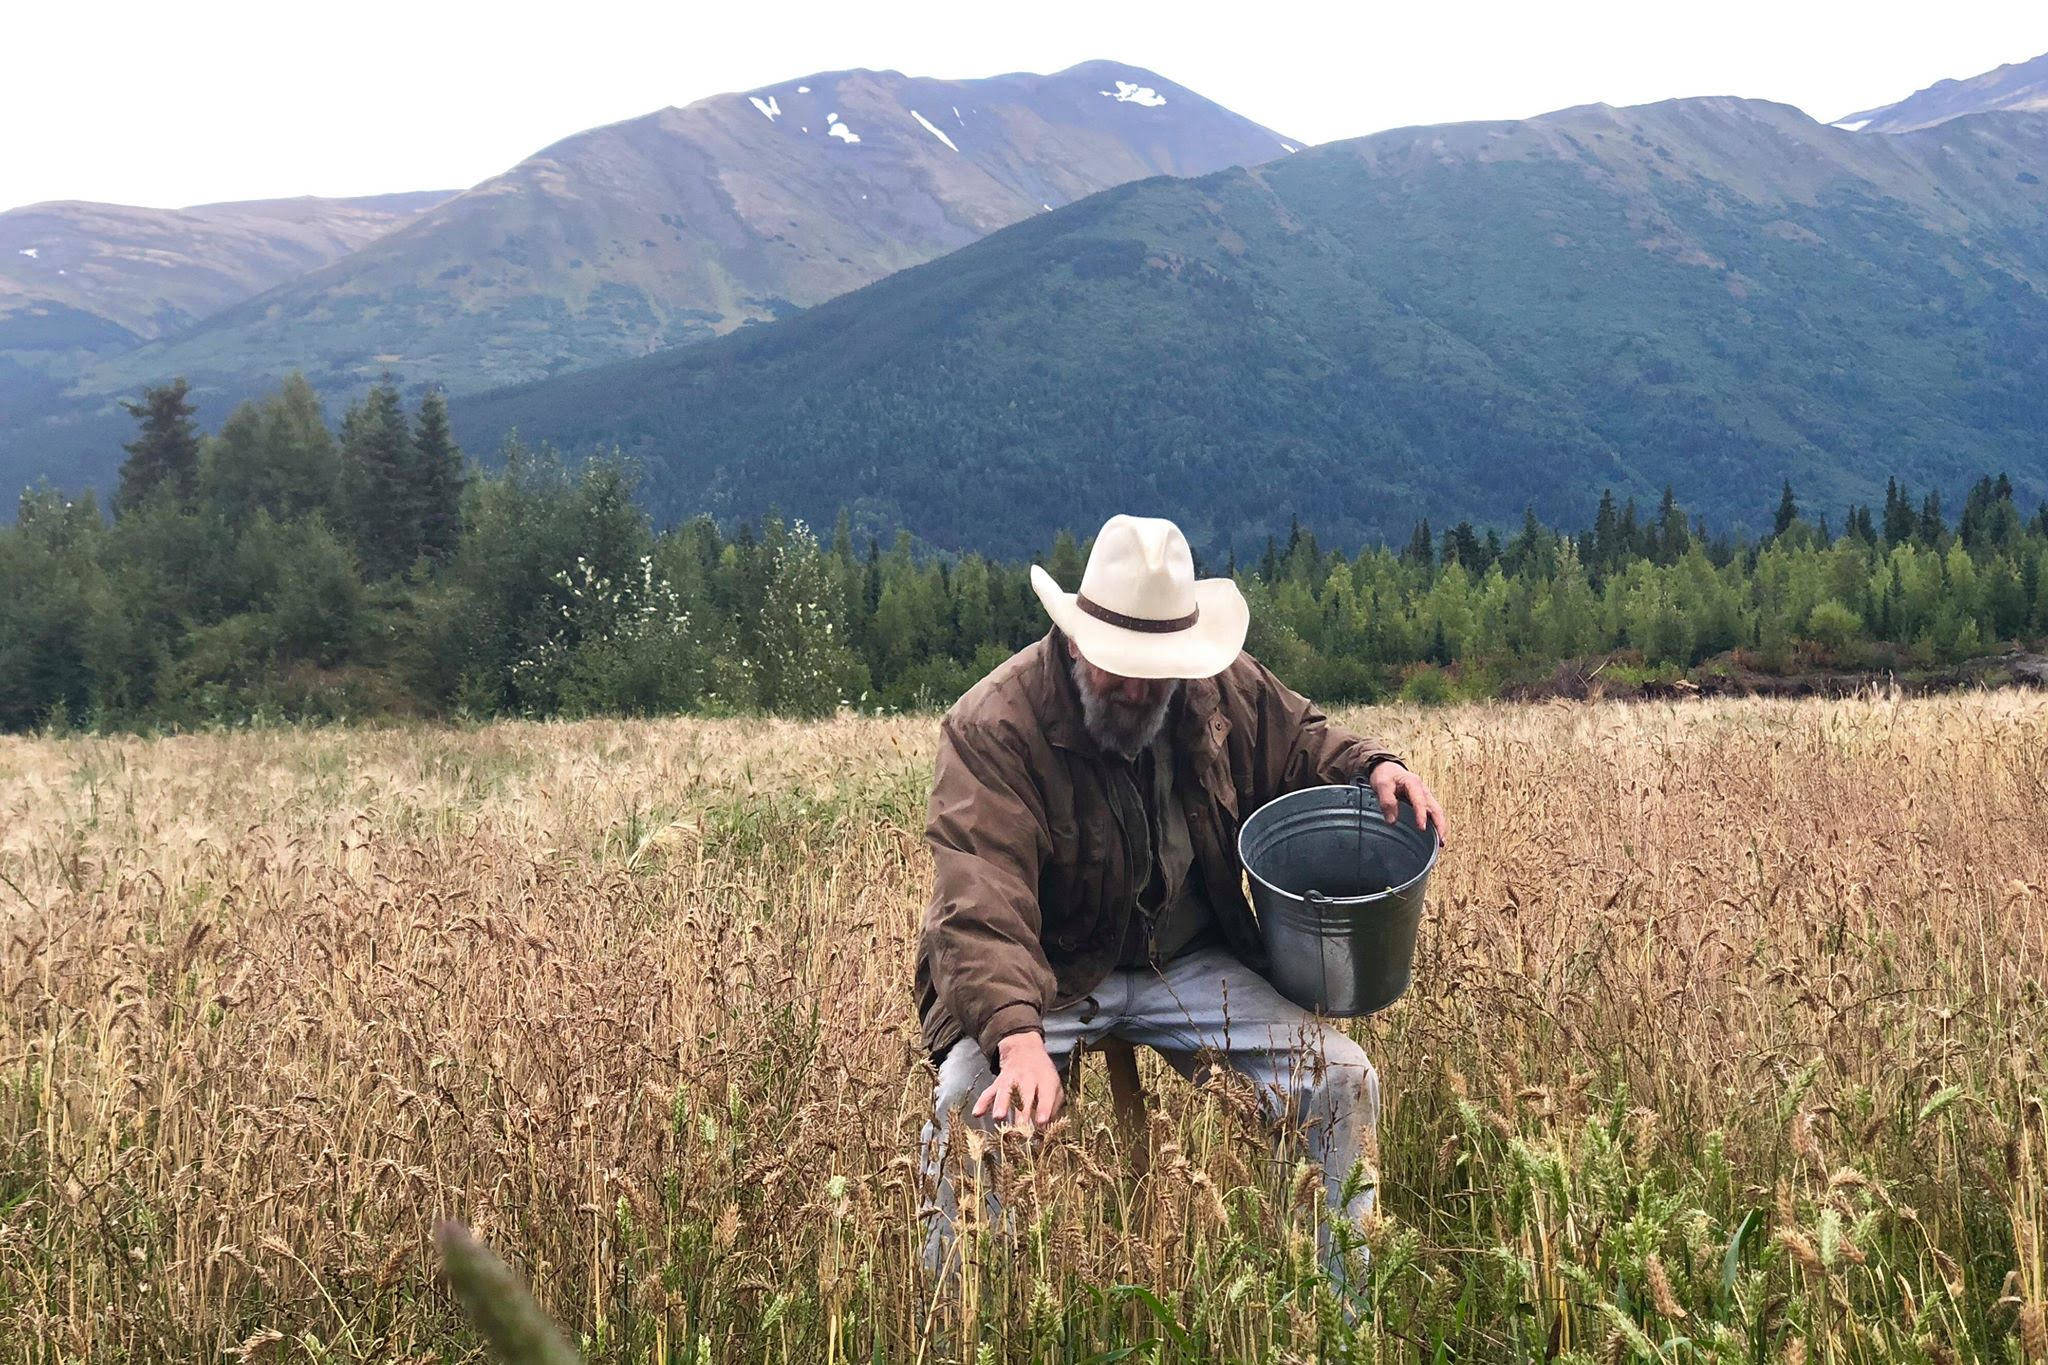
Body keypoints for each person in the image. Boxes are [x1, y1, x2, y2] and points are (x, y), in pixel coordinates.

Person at [915, 514, 1447, 1286]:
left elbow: (1300, 740)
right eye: (1117, 667)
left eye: (1154, 669)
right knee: (973, 1098)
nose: (1136, 689)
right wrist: (1015, 1033)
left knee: (1342, 1079)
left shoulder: (1212, 687)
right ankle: (955, 1323)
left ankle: (1340, 1315)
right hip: (1051, 975)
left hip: (1186, 958)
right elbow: (979, 893)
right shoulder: (994, 726)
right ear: (1074, 639)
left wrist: (1374, 766)